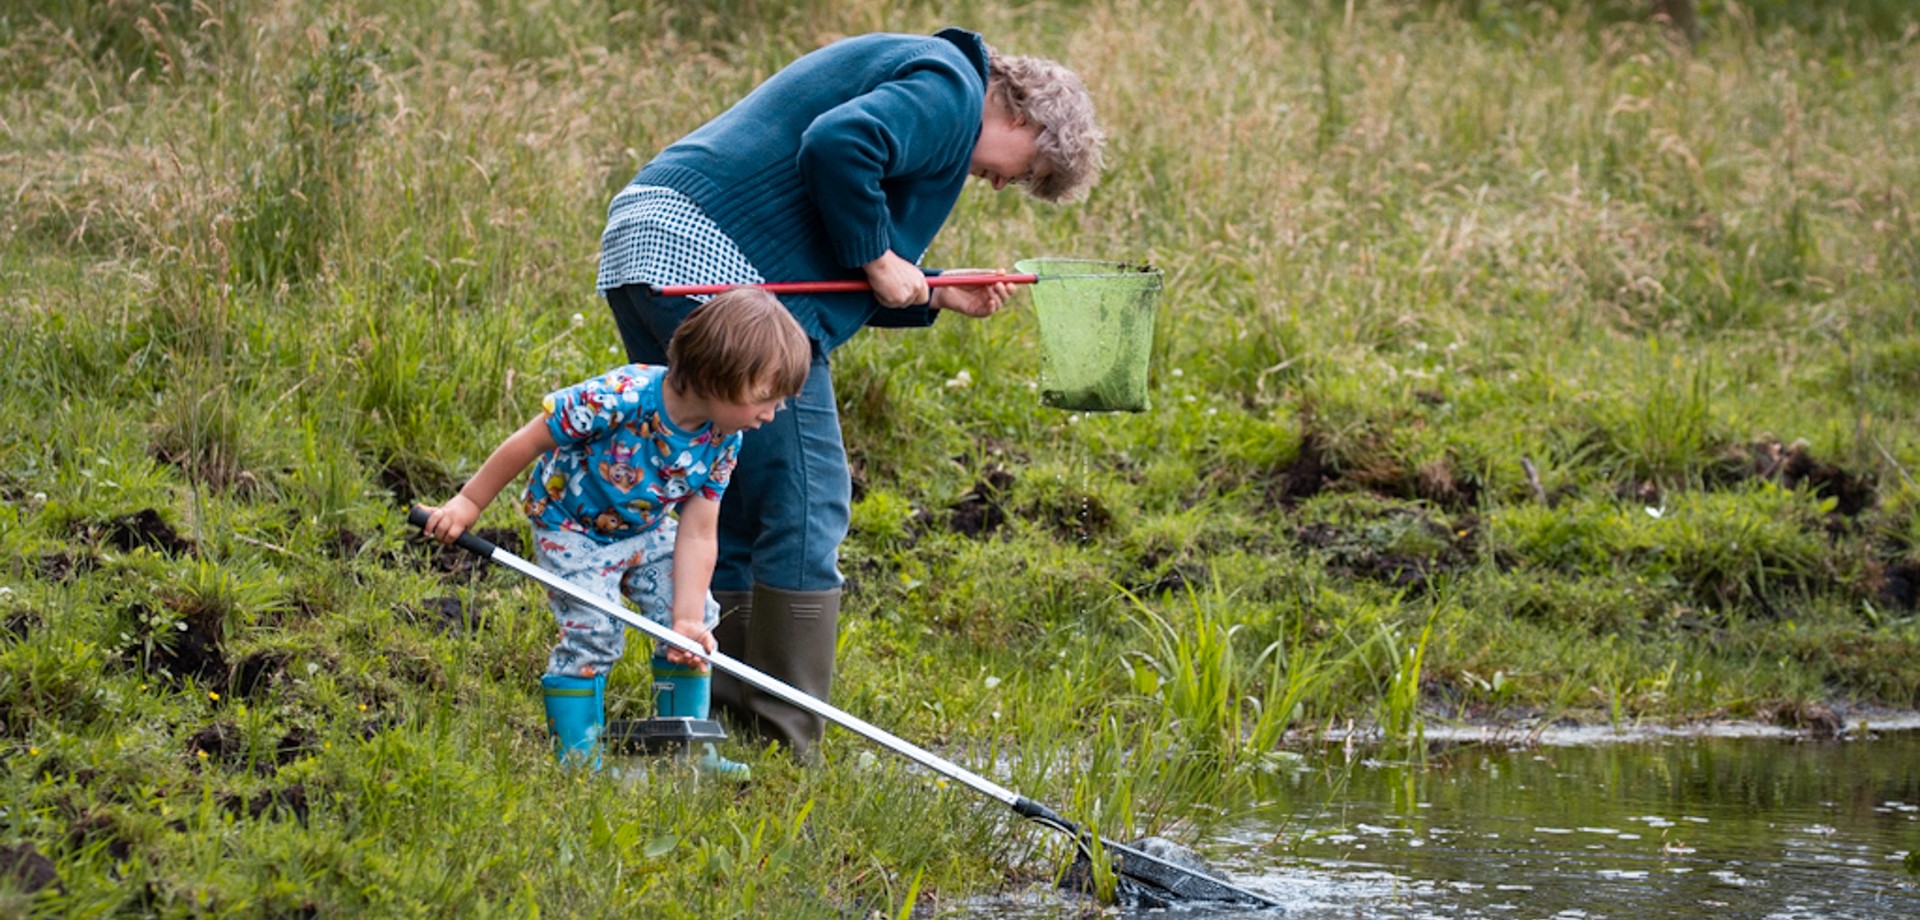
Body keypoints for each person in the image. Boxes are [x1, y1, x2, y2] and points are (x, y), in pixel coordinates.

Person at [596, 27, 1104, 756]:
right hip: (714, 265)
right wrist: (877, 255)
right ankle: (784, 741)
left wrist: (933, 292)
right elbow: (840, 146)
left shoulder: (919, 79)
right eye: (1024, 171)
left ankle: (720, 718)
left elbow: (821, 232)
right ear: (1023, 117)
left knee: (726, 489)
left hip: (647, 249)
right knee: (808, 499)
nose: (1002, 185)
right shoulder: (951, 90)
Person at [419, 288, 811, 778]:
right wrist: (468, 502)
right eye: (765, 398)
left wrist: (685, 621)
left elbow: (697, 531)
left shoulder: (723, 438)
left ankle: (685, 750)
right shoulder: (620, 398)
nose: (771, 414)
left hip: (645, 530)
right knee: (595, 630)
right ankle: (580, 761)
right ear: (717, 375)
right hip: (572, 527)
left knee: (696, 625)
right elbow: (532, 437)